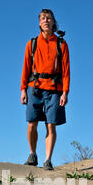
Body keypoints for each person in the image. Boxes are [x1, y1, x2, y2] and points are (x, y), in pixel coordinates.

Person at [21, 9, 70, 170]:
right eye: (43, 18)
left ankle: (47, 160)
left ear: (53, 22)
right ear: (39, 23)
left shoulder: (61, 44)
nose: (46, 21)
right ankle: (32, 154)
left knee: (51, 125)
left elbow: (66, 70)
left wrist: (65, 92)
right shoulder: (32, 43)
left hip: (54, 89)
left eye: (49, 18)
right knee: (31, 123)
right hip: (34, 88)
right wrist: (23, 90)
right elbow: (26, 68)